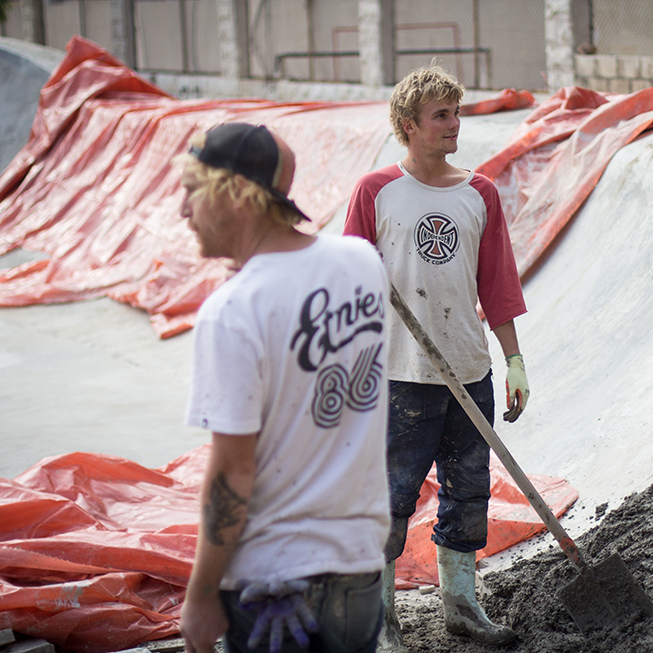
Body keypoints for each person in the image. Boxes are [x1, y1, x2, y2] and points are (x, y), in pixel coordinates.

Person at [177, 122, 391, 653]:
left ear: (238, 195)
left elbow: (233, 471)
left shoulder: (232, 313)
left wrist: (201, 594)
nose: (183, 210)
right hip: (359, 570)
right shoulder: (362, 264)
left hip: (270, 589)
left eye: (192, 190)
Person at [343, 66, 530, 649]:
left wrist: (515, 360)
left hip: (469, 373)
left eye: (457, 112)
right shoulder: (377, 192)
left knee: (469, 492)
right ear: (408, 126)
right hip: (401, 377)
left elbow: (497, 283)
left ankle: (462, 607)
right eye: (441, 116)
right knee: (391, 499)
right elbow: (349, 287)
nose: (455, 124)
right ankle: (381, 624)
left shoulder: (479, 193)